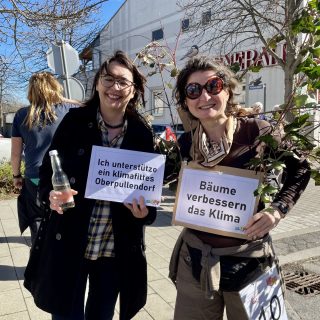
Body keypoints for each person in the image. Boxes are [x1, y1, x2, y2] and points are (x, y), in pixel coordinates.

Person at [169, 56, 311, 319]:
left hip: (249, 263)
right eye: (193, 90)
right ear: (186, 101)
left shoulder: (258, 131)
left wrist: (276, 211)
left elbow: (301, 169)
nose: (204, 96)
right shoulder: (186, 143)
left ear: (228, 90)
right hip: (196, 262)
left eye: (213, 85)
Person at [24, 51, 157, 320]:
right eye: (108, 79)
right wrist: (50, 195)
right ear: (97, 83)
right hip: (72, 240)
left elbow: (148, 195)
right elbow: (50, 169)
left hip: (113, 247)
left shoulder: (142, 133)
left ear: (134, 91)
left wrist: (146, 213)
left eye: (123, 82)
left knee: (101, 314)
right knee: (65, 313)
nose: (114, 88)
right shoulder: (74, 122)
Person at [11, 72, 79, 245]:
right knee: (63, 219)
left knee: (37, 221)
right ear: (55, 88)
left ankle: (38, 265)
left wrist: (16, 176)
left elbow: (16, 153)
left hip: (34, 177)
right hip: (63, 177)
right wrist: (63, 99)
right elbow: (85, 104)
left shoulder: (21, 115)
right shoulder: (69, 110)